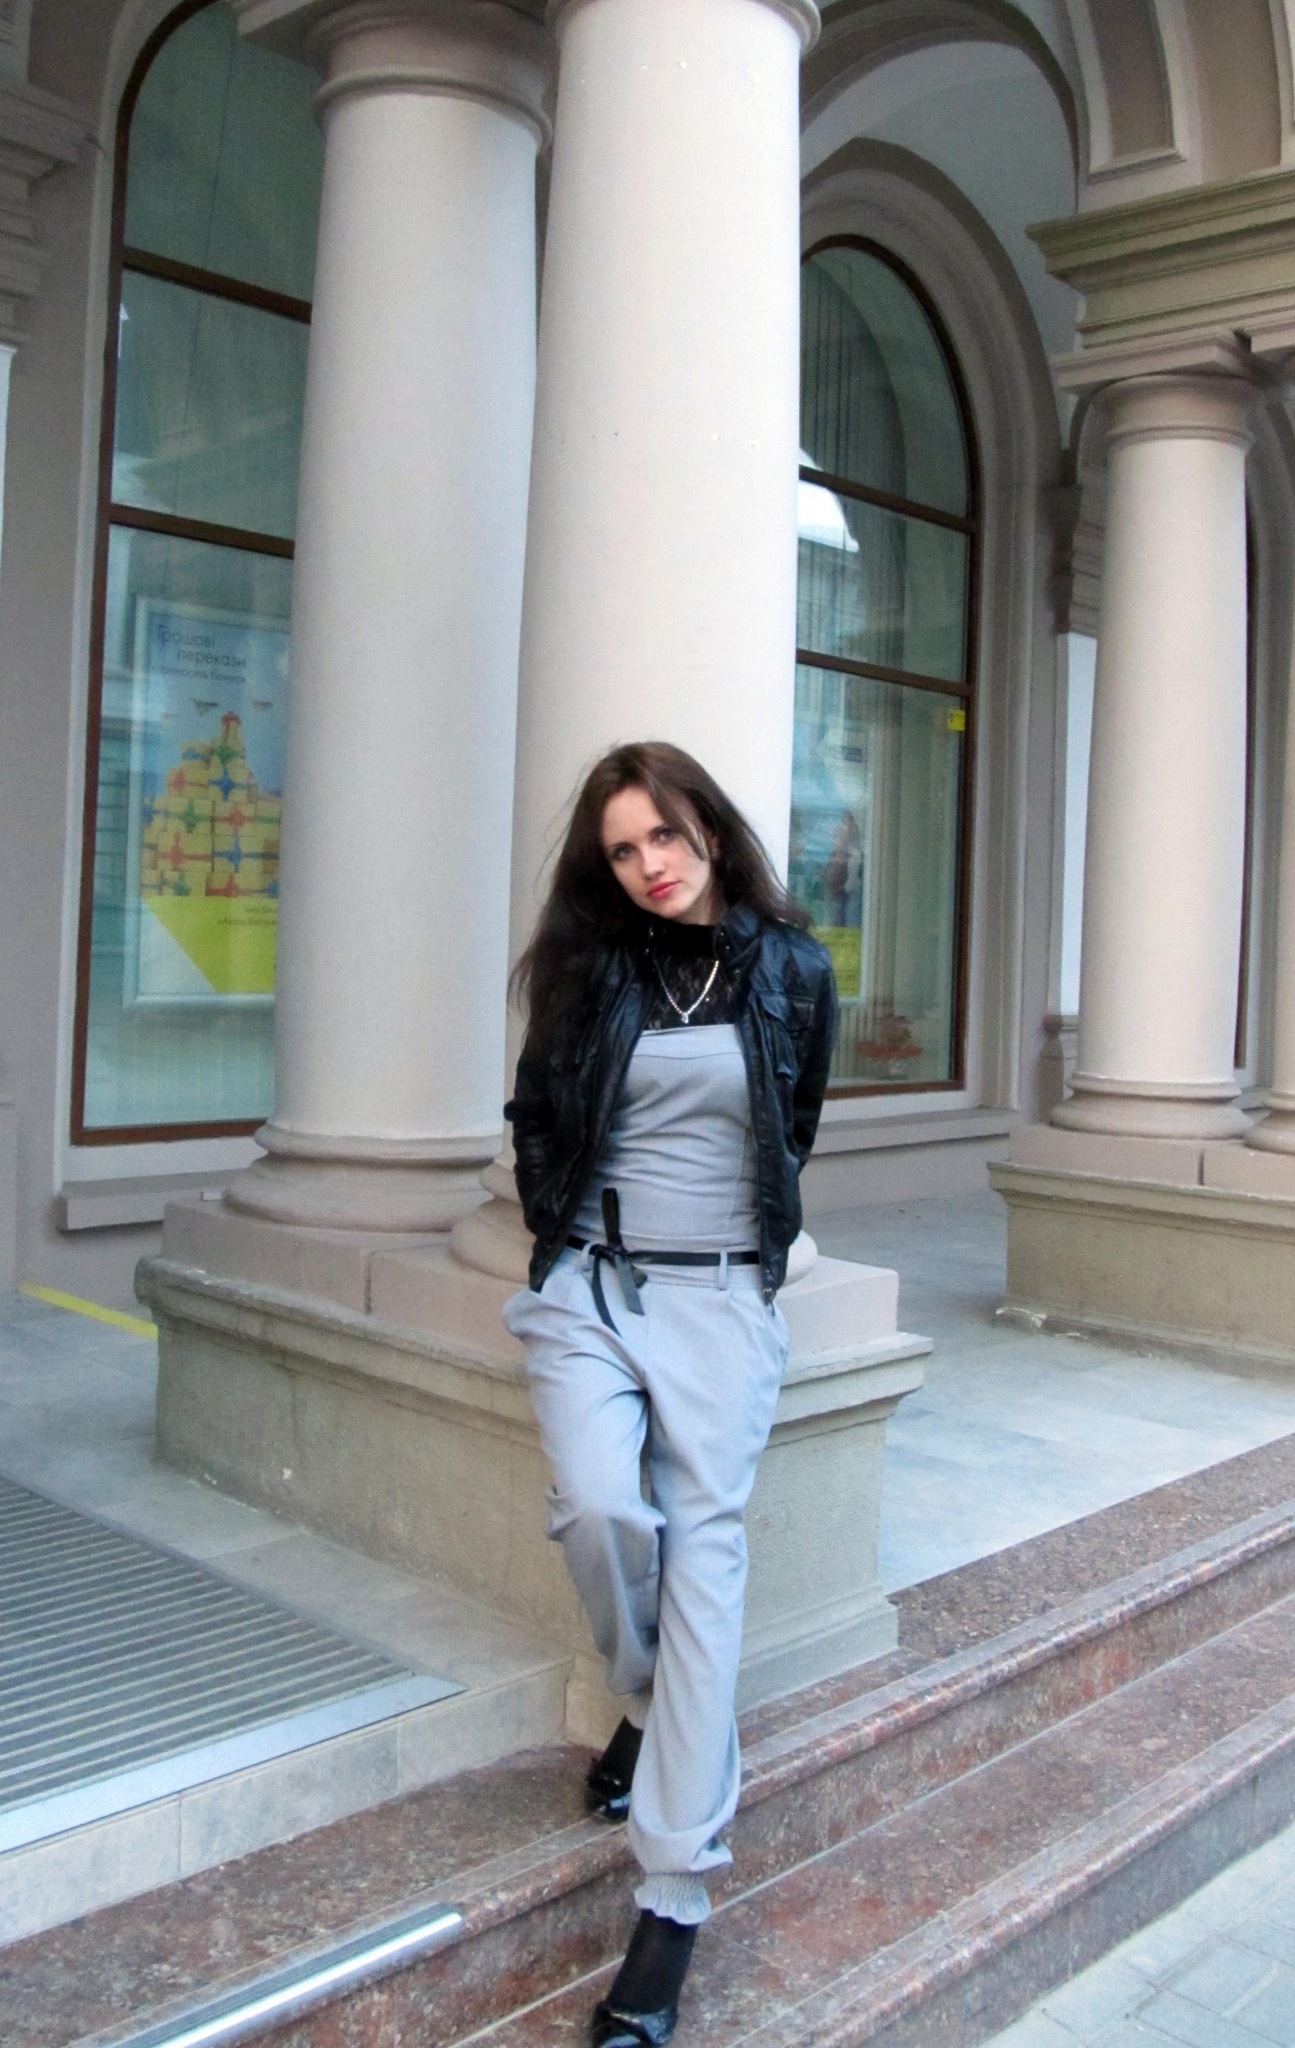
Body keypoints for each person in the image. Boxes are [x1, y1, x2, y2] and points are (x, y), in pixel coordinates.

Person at [503, 741, 837, 2048]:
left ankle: (670, 1907)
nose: (649, 864)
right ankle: (651, 1703)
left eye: (665, 836)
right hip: (591, 1285)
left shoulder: (792, 969)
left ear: (710, 829)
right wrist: (558, 1234)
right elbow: (540, 1111)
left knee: (706, 1568)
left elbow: (793, 1125)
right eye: (623, 848)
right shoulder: (589, 968)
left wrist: (739, 1273)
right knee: (600, 1511)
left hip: (720, 1304)